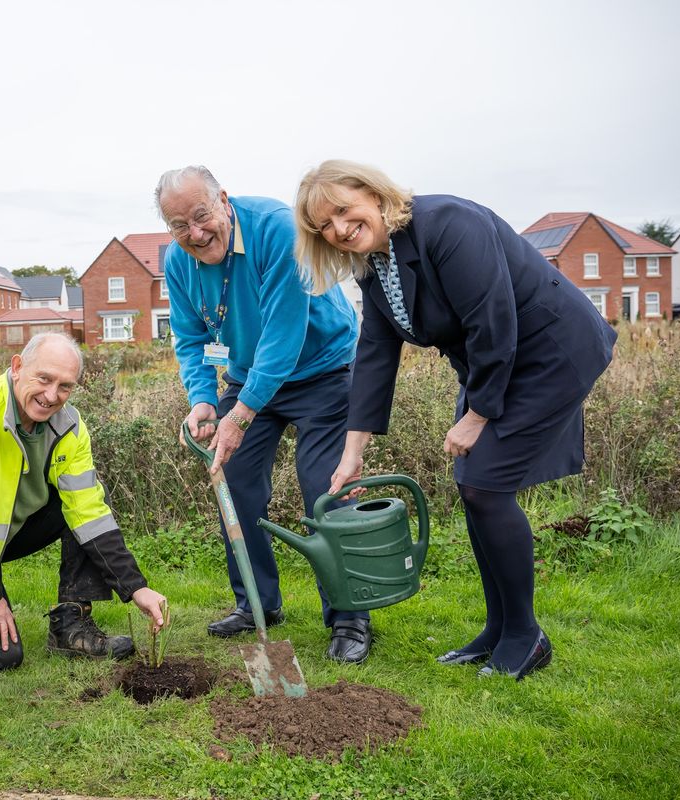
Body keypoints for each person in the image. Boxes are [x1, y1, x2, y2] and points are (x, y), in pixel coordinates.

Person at [294, 160, 618, 680]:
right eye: (323, 226)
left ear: (372, 193)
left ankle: (524, 636)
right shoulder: (376, 265)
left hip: (549, 351)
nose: (337, 229)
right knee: (474, 485)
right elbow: (376, 352)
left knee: (486, 486)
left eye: (341, 210)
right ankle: (498, 628)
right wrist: (351, 452)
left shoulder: (447, 224)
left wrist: (477, 414)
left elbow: (494, 319)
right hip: (498, 361)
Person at [155, 165, 373, 663]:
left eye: (201, 216)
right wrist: (204, 400)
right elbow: (191, 338)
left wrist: (238, 416)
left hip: (323, 368)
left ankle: (349, 617)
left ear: (224, 201)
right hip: (249, 376)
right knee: (232, 478)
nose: (194, 233)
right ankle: (256, 604)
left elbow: (284, 335)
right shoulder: (179, 262)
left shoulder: (277, 228)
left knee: (326, 485)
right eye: (179, 226)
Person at [0, 332, 168, 673]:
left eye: (65, 386)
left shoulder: (69, 427)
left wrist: (136, 588)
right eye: (44, 379)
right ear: (18, 367)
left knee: (95, 496)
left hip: (0, 537)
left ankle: (71, 627)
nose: (52, 396)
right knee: (0, 657)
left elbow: (90, 514)